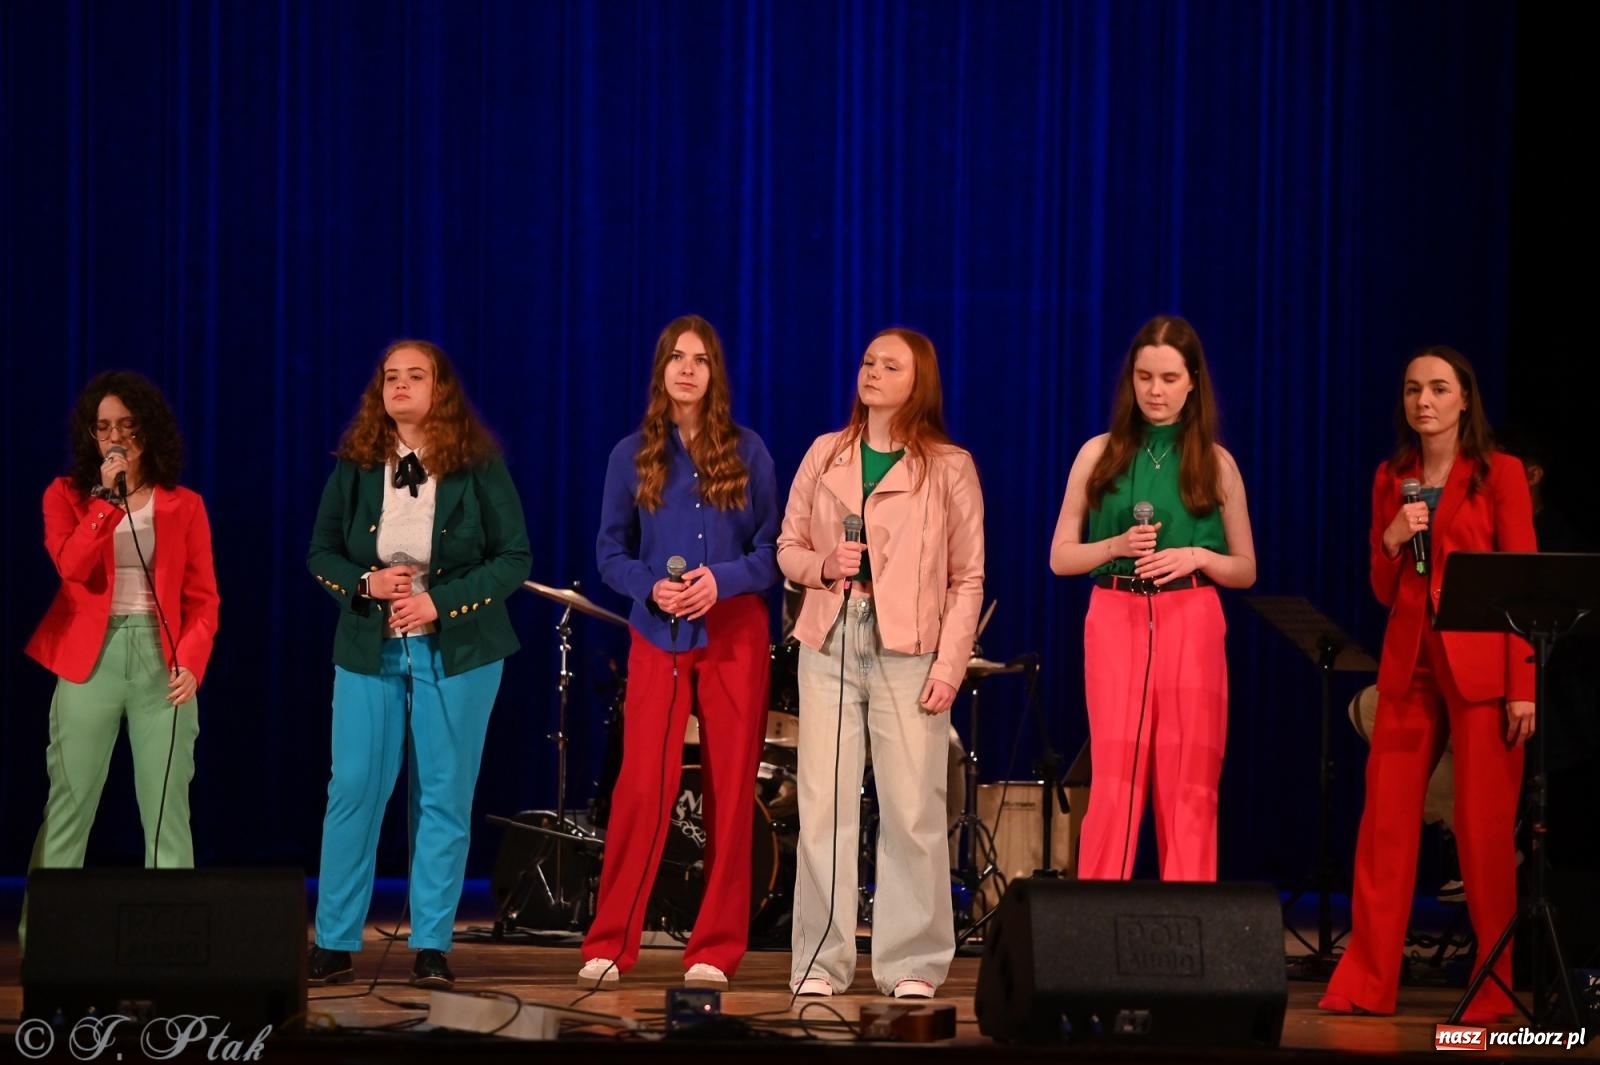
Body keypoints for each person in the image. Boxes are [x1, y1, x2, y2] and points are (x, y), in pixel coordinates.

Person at [305, 339, 531, 990]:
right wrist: (364, 584)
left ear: (441, 388)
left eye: (415, 375)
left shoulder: (478, 464)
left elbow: (514, 557)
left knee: (444, 794)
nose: (400, 385)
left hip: (457, 648)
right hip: (368, 644)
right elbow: (321, 552)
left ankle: (431, 943)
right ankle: (337, 939)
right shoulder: (356, 463)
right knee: (353, 789)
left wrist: (440, 603)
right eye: (390, 376)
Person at [1320, 346, 1535, 1021]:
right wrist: (1389, 537)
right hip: (1409, 662)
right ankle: (1366, 981)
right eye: (1414, 389)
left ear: (1464, 399)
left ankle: (1493, 987)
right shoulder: (1394, 475)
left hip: (1483, 666)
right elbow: (1386, 588)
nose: (1425, 401)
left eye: (1439, 388)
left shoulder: (1497, 474)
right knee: (1384, 824)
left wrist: (1524, 681)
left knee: (1483, 831)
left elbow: (1524, 581)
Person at [779, 326, 985, 999]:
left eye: (890, 365)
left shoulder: (949, 465)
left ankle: (912, 963)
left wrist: (950, 663)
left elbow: (968, 577)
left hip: (910, 649)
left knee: (911, 810)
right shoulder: (825, 452)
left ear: (917, 380)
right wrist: (820, 564)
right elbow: (786, 547)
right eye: (868, 361)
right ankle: (820, 961)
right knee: (824, 806)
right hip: (832, 637)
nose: (873, 371)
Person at [579, 315, 780, 990]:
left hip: (734, 633)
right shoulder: (631, 454)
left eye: (700, 359)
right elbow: (610, 552)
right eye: (676, 357)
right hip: (658, 634)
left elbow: (770, 552)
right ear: (661, 369)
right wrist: (654, 589)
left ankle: (715, 948)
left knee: (729, 789)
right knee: (643, 785)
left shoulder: (747, 450)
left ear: (714, 373)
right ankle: (611, 941)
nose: (688, 368)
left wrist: (720, 580)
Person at [1049, 314, 1256, 881]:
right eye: (1144, 377)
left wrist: (1197, 556)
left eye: (1168, 378)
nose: (1155, 391)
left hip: (1192, 612)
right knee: (1115, 772)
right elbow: (1060, 556)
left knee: (1190, 776)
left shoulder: (1216, 463)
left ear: (1192, 382)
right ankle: (1095, 920)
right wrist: (1113, 543)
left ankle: (1188, 927)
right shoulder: (1099, 453)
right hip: (1115, 611)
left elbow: (1245, 569)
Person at [20, 371, 219, 944]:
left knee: (165, 813)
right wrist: (105, 502)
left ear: (148, 433)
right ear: (90, 435)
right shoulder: (66, 496)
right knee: (70, 806)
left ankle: (175, 951)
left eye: (127, 427)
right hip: (91, 657)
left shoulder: (185, 505)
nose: (115, 438)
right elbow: (71, 566)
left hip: (163, 662)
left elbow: (204, 598)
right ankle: (46, 948)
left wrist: (193, 661)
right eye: (104, 427)